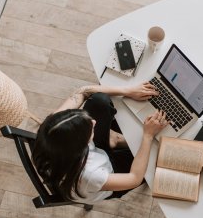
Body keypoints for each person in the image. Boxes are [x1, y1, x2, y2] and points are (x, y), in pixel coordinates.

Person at [32, 82, 168, 204]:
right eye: (89, 129)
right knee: (158, 158)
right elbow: (134, 178)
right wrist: (147, 136)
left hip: (86, 157)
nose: (93, 122)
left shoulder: (52, 126)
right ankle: (117, 141)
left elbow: (83, 91)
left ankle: (114, 140)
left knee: (99, 100)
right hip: (110, 174)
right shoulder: (90, 176)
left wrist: (128, 91)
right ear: (81, 146)